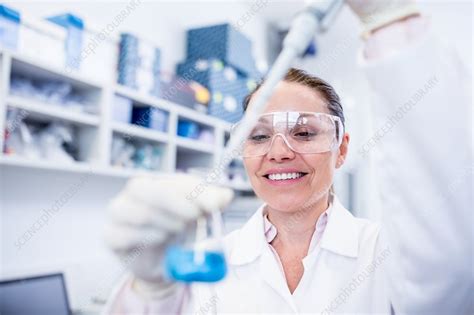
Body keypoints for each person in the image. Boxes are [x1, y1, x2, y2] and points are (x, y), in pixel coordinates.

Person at [103, 0, 473, 313]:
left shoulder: (387, 255)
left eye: (305, 132)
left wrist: (392, 26)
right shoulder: (203, 263)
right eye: (259, 136)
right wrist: (150, 292)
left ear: (341, 149)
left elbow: (452, 275)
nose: (278, 152)